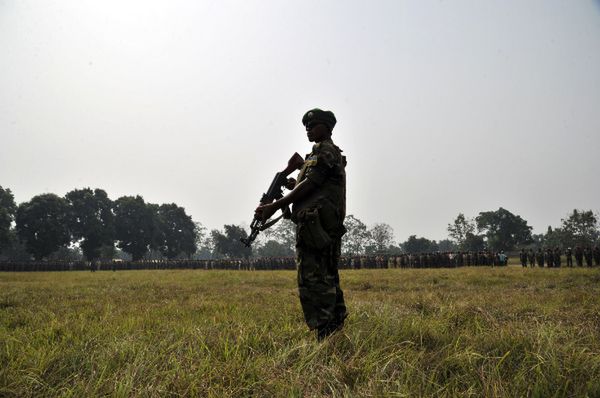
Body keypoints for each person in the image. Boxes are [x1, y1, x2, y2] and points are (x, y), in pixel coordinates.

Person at [255, 108, 348, 341]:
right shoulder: (319, 155)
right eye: (306, 125)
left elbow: (311, 184)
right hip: (319, 226)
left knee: (314, 280)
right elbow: (311, 187)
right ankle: (334, 332)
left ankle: (326, 333)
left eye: (313, 124)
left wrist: (275, 206)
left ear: (326, 128)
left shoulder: (324, 151)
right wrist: (290, 186)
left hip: (317, 228)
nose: (308, 128)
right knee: (326, 277)